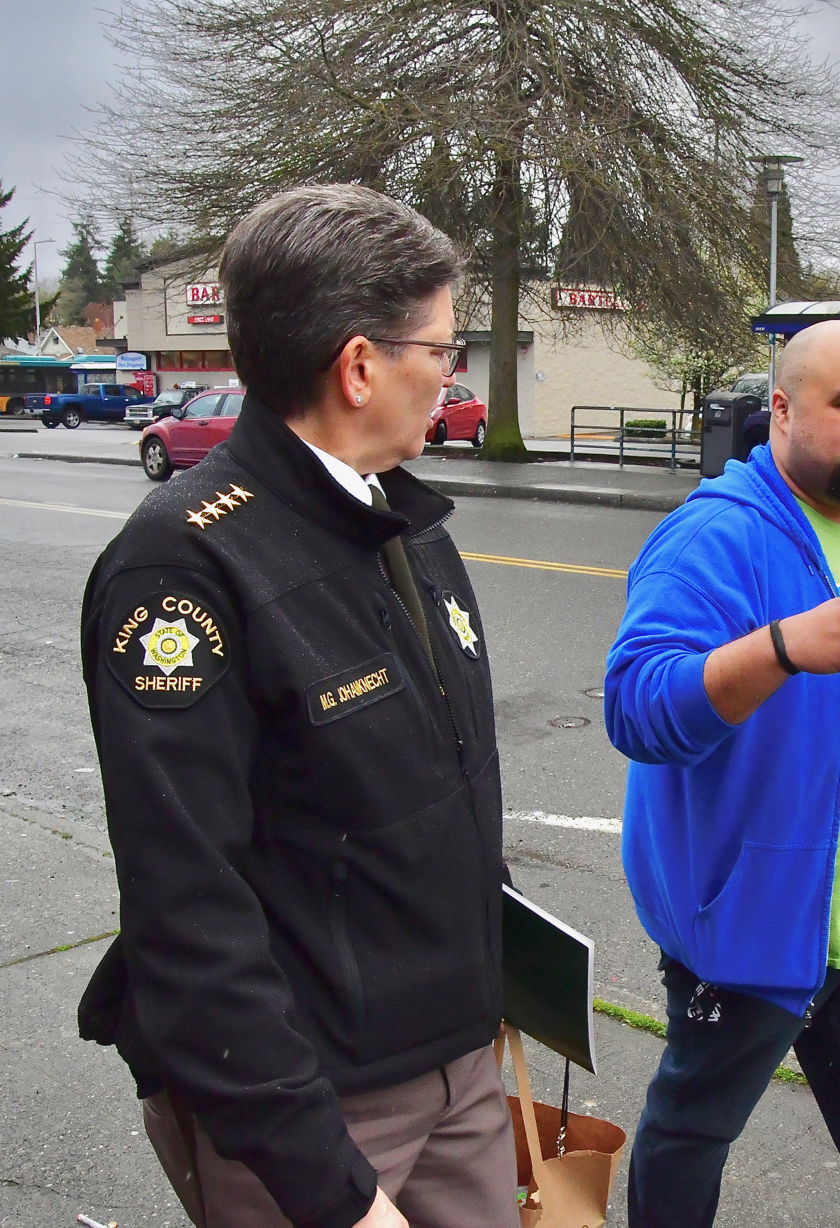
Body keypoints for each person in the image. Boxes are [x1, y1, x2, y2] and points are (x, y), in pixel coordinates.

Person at [78, 185, 517, 1228]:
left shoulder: (403, 521)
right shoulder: (182, 568)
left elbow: (437, 798)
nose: (451, 377)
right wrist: (331, 1187)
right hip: (320, 1113)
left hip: (458, 1067)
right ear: (360, 365)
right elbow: (188, 912)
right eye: (441, 352)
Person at [606, 319, 840, 1228]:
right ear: (780, 408)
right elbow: (637, 708)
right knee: (693, 1131)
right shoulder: (714, 538)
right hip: (761, 923)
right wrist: (784, 647)